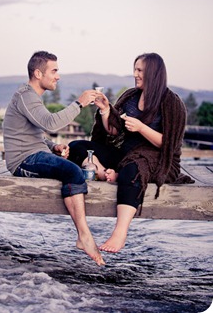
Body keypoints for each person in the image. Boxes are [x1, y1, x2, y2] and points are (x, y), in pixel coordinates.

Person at [68, 52, 194, 253]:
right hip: (124, 154)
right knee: (78, 147)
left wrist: (142, 128)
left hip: (155, 159)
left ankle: (120, 233)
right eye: (135, 69)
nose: (135, 74)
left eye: (140, 70)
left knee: (132, 170)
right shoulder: (130, 96)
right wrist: (105, 110)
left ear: (153, 73)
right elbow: (113, 131)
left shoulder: (172, 102)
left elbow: (170, 143)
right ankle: (103, 171)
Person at [3, 51, 105, 266]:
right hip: (23, 161)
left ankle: (82, 235)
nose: (58, 76)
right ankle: (84, 236)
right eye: (54, 71)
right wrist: (79, 104)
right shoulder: (25, 95)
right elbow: (50, 123)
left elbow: (33, 133)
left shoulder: (31, 97)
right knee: (72, 171)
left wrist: (53, 146)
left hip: (34, 154)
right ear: (38, 73)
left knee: (74, 164)